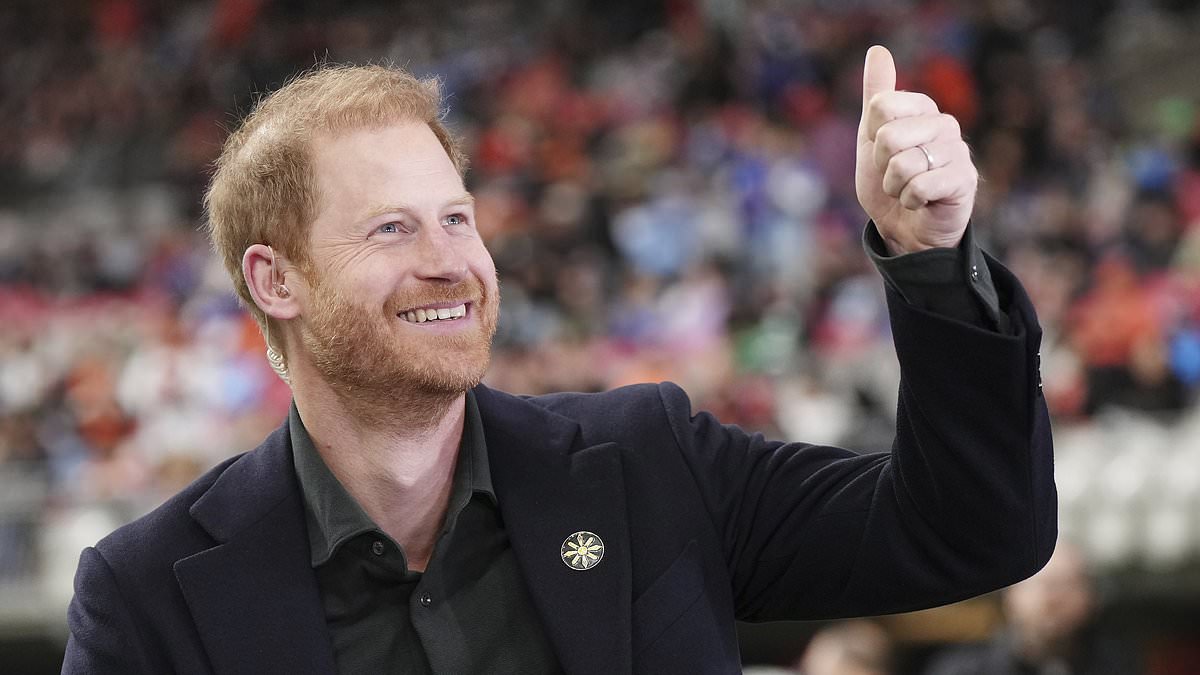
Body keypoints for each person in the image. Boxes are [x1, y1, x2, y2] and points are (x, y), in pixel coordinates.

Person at [62, 46, 1056, 674]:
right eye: (395, 228)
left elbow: (971, 534)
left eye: (459, 217)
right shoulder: (149, 599)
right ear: (275, 282)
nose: (451, 260)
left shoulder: (650, 465)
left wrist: (931, 264)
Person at [924, 541, 1142, 675]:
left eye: (1065, 585)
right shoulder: (963, 670)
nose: (1053, 600)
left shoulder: (1119, 666)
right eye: (1043, 586)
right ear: (1010, 595)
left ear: (1092, 598)